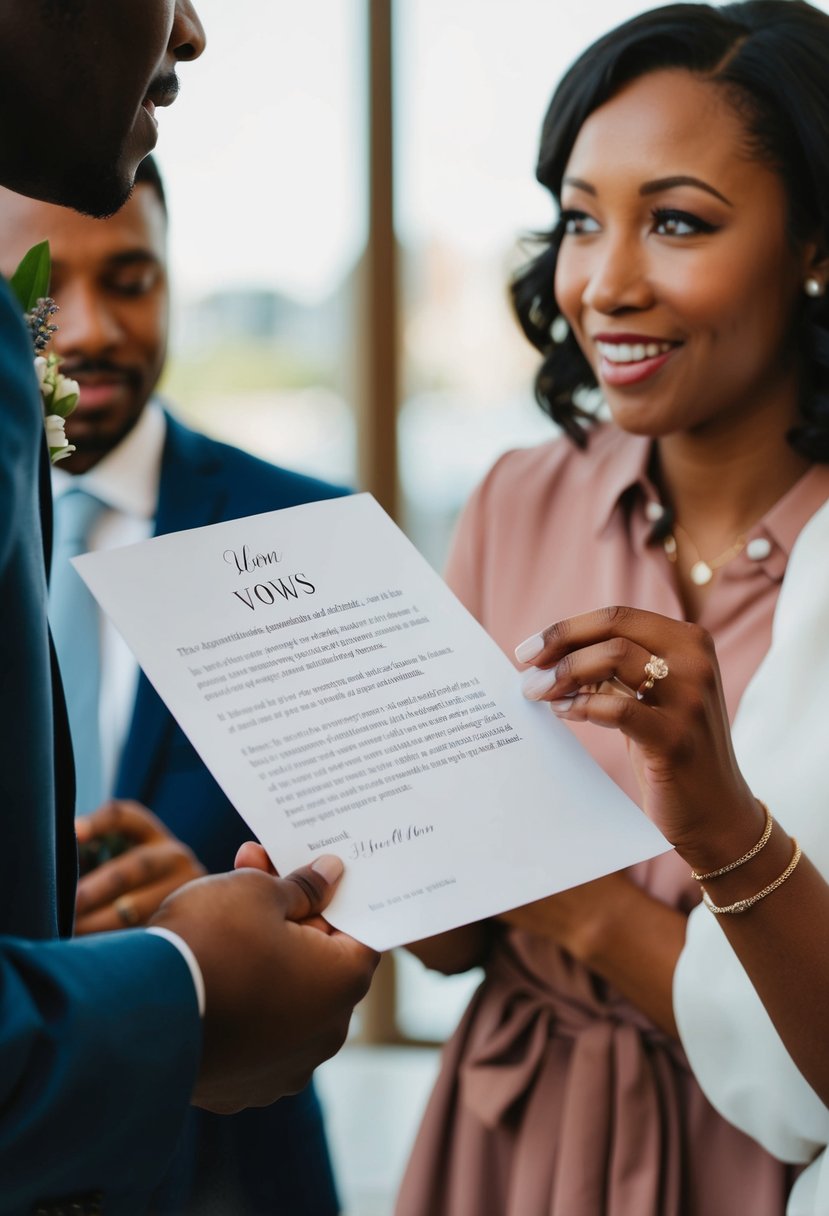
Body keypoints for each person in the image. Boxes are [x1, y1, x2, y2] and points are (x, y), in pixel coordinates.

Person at [395, 3, 829, 1214]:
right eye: (581, 220)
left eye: (677, 221)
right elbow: (446, 941)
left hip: (759, 1162)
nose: (603, 283)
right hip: (507, 1132)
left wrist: (584, 908)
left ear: (816, 244)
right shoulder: (517, 496)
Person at [0, 5, 377, 1214]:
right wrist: (170, 984)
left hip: (229, 1166)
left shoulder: (304, 527)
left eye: (138, 278)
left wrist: (235, 906)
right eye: (45, 289)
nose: (95, 329)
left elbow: (398, 839)